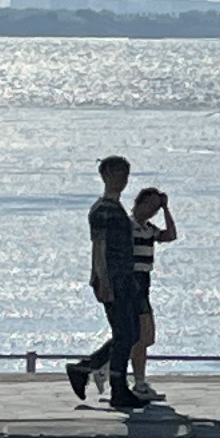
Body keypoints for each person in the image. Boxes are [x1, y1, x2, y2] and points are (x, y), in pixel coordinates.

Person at [67, 154, 150, 409]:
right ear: (105, 176)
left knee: (131, 333)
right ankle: (118, 388)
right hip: (112, 279)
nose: (122, 180)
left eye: (125, 174)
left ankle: (86, 368)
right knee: (125, 334)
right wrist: (103, 280)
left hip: (125, 278)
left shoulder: (117, 208)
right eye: (117, 174)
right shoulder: (103, 209)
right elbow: (99, 246)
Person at [125, 182, 180, 393]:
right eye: (149, 205)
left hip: (143, 283)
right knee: (138, 336)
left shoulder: (149, 229)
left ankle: (107, 365)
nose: (151, 211)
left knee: (147, 337)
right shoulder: (128, 226)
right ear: (139, 203)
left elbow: (171, 235)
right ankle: (138, 380)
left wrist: (166, 208)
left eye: (155, 208)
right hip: (132, 281)